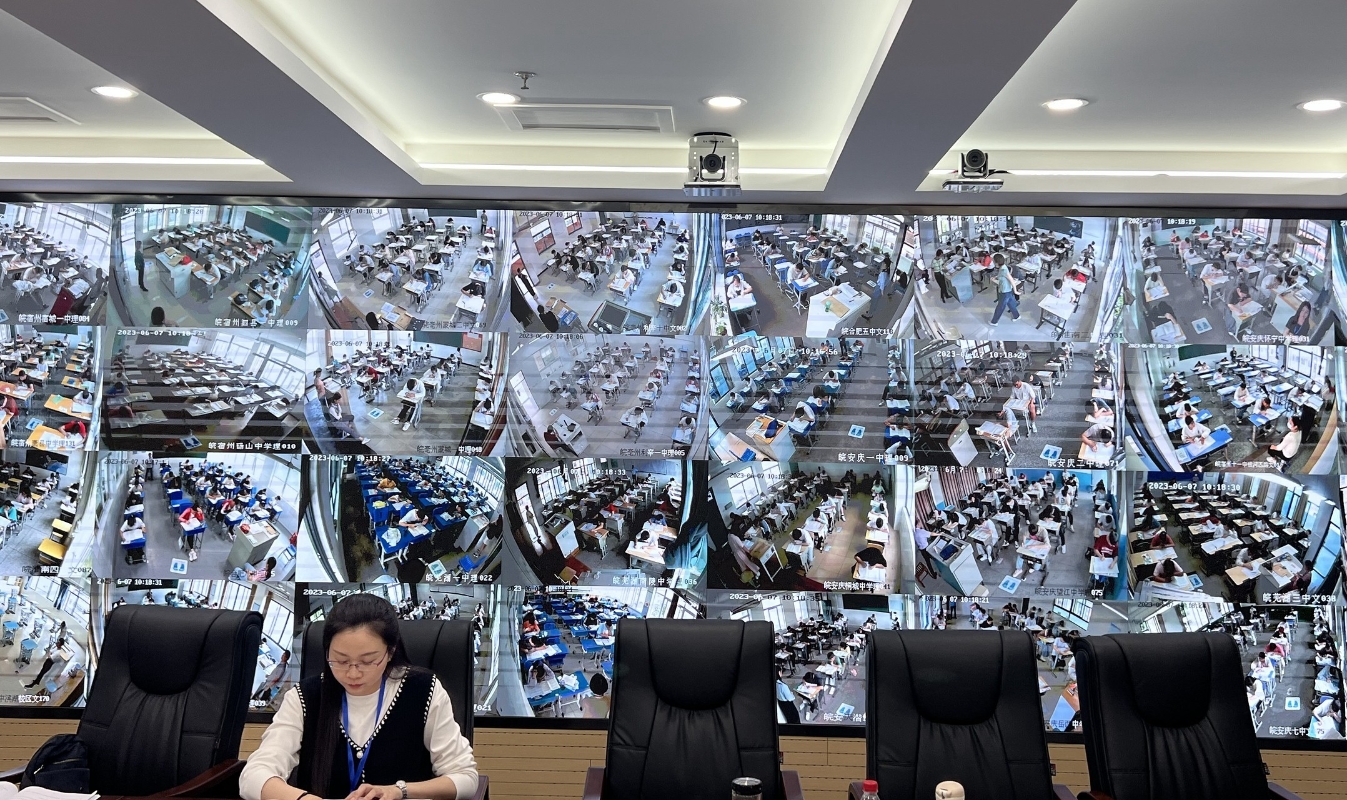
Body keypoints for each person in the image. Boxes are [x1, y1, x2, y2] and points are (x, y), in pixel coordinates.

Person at [239, 594, 477, 800]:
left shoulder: (423, 690)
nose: (353, 673)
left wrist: (400, 791)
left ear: (390, 652)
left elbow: (465, 777)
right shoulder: (304, 698)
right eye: (341, 661)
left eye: (368, 661)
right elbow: (253, 776)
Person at [989, 259, 1021, 326]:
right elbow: (1001, 275)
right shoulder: (1002, 267)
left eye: (994, 261)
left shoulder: (1004, 270)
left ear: (997, 262)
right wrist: (996, 277)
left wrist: (1015, 291)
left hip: (1005, 291)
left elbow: (1011, 280)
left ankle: (994, 322)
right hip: (1007, 290)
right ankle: (1017, 316)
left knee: (1000, 308)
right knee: (1011, 304)